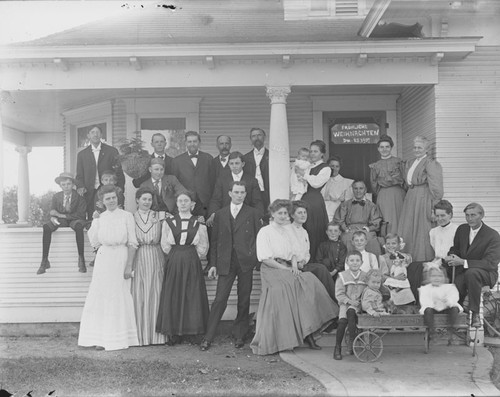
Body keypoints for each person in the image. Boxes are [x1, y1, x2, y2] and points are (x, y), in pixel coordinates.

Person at [250, 199, 337, 355]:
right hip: (271, 269)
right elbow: (265, 258)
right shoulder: (265, 231)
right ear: (273, 214)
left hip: (287, 267)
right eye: (280, 213)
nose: (283, 216)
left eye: (285, 213)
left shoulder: (287, 231)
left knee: (309, 281)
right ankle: (286, 339)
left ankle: (308, 331)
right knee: (286, 289)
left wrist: (294, 267)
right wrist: (286, 269)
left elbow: (294, 254)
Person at [200, 181, 262, 351]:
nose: (239, 195)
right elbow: (215, 241)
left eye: (242, 192)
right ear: (230, 193)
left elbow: (259, 238)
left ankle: (240, 334)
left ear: (245, 194)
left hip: (245, 262)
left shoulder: (253, 213)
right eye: (236, 192)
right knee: (220, 299)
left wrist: (254, 257)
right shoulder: (219, 214)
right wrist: (213, 264)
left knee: (244, 299)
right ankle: (208, 336)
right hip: (226, 261)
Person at [78, 185, 139, 351]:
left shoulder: (127, 216)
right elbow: (95, 242)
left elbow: (133, 242)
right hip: (104, 258)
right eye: (107, 199)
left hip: (121, 256)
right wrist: (96, 221)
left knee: (118, 295)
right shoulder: (100, 218)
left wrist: (129, 266)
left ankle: (118, 338)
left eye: (113, 197)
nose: (111, 201)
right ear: (101, 201)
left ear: (117, 198)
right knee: (102, 295)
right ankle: (100, 337)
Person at [156, 191, 210, 344]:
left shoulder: (198, 223)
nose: (183, 203)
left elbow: (203, 246)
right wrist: (177, 255)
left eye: (186, 201)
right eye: (180, 201)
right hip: (175, 258)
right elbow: (165, 245)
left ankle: (193, 331)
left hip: (191, 258)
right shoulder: (169, 222)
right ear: (177, 203)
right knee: (175, 292)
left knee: (192, 293)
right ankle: (175, 333)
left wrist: (191, 256)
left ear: (192, 204)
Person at [444, 203, 500, 328]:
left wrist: (463, 262)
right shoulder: (462, 229)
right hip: (465, 272)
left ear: (482, 215)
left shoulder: (493, 235)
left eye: (473, 215)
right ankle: (457, 311)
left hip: (486, 273)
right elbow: (456, 249)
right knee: (456, 279)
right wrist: (451, 255)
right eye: (467, 215)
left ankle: (475, 313)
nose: (469, 218)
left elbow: (490, 263)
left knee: (472, 273)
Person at [398, 136, 443, 261]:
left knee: (422, 229)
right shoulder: (411, 162)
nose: (416, 150)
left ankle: (422, 260)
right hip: (411, 197)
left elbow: (436, 187)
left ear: (427, 149)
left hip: (423, 198)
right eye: (415, 147)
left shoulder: (430, 163)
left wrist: (435, 207)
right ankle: (408, 259)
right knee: (408, 229)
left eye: (420, 147)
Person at [131, 187, 166, 346]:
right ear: (137, 200)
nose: (147, 202)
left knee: (156, 292)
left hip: (155, 255)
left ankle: (157, 336)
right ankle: (139, 336)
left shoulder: (160, 216)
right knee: (139, 292)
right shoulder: (130, 217)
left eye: (149, 199)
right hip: (138, 256)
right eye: (144, 199)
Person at [287, 200, 340, 306]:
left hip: (303, 264)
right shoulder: (288, 230)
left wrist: (303, 260)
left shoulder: (304, 232)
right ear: (292, 215)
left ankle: (334, 303)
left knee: (322, 269)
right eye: (299, 213)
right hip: (290, 265)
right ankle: (334, 303)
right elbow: (287, 251)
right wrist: (296, 263)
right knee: (321, 270)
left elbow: (307, 253)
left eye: (304, 212)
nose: (303, 215)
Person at [407, 200, 458, 301]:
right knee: (413, 267)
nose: (440, 219)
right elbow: (436, 249)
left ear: (450, 215)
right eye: (437, 216)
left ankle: (431, 301)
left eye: (443, 215)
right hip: (437, 260)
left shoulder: (457, 230)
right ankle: (418, 301)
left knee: (423, 269)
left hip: (449, 262)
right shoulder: (433, 232)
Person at [37, 172, 87, 275]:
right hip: (62, 221)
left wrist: (61, 215)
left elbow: (81, 214)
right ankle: (44, 260)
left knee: (78, 226)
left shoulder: (79, 195)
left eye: (68, 184)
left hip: (75, 219)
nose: (66, 187)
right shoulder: (57, 196)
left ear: (73, 184)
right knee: (46, 227)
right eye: (63, 184)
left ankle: (81, 259)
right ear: (60, 186)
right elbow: (53, 210)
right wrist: (53, 215)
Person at [75, 125, 125, 220]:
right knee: (93, 219)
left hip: (109, 191)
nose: (95, 134)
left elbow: (119, 172)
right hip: (90, 191)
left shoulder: (112, 151)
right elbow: (79, 175)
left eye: (97, 132)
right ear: (88, 135)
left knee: (112, 218)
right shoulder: (82, 154)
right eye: (92, 132)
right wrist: (80, 187)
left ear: (101, 135)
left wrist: (120, 189)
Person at [207, 151, 264, 225]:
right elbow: (216, 199)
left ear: (243, 164)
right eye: (231, 163)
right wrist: (213, 213)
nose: (234, 166)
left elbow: (257, 201)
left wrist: (258, 216)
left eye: (237, 163)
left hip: (246, 217)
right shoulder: (222, 180)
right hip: (226, 217)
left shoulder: (252, 180)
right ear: (228, 164)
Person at [298, 140, 332, 259]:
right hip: (303, 199)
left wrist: (304, 175)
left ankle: (314, 260)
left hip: (314, 201)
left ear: (322, 154)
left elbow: (316, 183)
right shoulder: (307, 166)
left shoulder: (325, 168)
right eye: (311, 151)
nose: (312, 154)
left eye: (315, 151)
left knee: (314, 230)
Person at [172, 131, 214, 219]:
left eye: (195, 141)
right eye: (189, 141)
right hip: (186, 203)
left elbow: (213, 182)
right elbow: (174, 184)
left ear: (199, 142)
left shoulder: (208, 158)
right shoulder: (177, 161)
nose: (192, 144)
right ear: (185, 143)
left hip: (205, 203)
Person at [334, 250, 367, 360]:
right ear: (347, 262)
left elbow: (368, 291)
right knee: (342, 321)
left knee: (352, 312)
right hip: (345, 303)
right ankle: (337, 347)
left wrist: (362, 302)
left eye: (357, 260)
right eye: (352, 260)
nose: (355, 263)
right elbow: (339, 294)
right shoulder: (343, 276)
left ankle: (351, 342)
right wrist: (349, 301)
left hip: (359, 304)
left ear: (362, 262)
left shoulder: (365, 276)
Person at [369, 135, 406, 235]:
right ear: (378, 149)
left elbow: (405, 179)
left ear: (391, 148)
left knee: (399, 218)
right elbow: (374, 183)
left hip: (398, 194)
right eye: (382, 147)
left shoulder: (399, 162)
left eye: (387, 147)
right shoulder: (375, 165)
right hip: (383, 194)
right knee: (385, 220)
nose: (384, 149)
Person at [334, 180, 382, 256]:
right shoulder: (345, 205)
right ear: (352, 190)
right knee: (348, 239)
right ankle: (350, 264)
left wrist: (368, 229)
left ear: (365, 190)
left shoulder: (371, 205)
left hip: (366, 230)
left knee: (371, 240)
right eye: (355, 188)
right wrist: (346, 229)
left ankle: (372, 265)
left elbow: (376, 222)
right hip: (349, 230)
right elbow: (339, 220)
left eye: (361, 188)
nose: (358, 191)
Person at [419, 267, 462, 341]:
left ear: (444, 278)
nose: (437, 278)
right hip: (433, 309)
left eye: (440, 276)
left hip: (446, 308)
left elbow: (454, 296)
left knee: (454, 308)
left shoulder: (449, 287)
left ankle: (451, 329)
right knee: (427, 310)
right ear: (428, 278)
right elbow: (424, 300)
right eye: (433, 276)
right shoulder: (425, 289)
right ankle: (432, 331)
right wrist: (434, 303)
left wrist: (448, 301)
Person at [379, 234, 415, 305]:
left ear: (399, 244)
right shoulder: (383, 258)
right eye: (388, 243)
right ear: (385, 245)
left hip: (403, 281)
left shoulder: (406, 256)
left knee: (407, 289)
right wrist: (395, 278)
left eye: (394, 243)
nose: (390, 246)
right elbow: (383, 276)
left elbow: (408, 270)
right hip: (390, 281)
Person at [243, 128, 270, 217]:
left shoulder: (272, 156)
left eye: (259, 135)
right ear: (250, 139)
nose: (256, 138)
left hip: (267, 193)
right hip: (252, 194)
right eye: (253, 136)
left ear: (264, 137)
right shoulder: (246, 158)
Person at [321, 156, 353, 222]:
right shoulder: (321, 181)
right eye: (332, 166)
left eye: (337, 166)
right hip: (321, 212)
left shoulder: (346, 183)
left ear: (339, 168)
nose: (334, 169)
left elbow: (348, 204)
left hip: (337, 214)